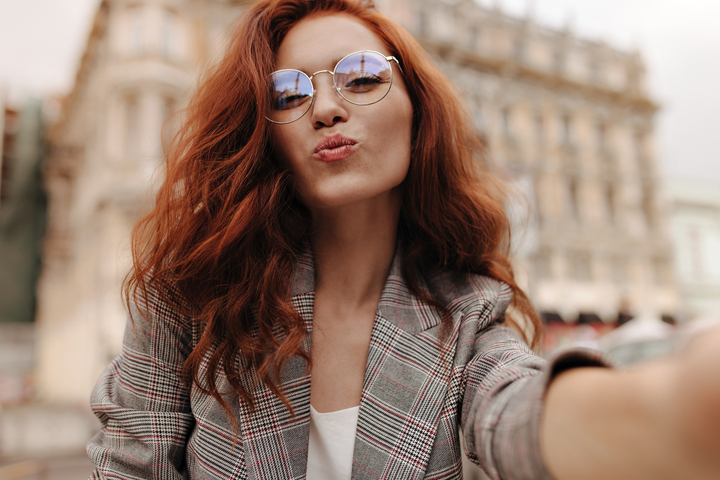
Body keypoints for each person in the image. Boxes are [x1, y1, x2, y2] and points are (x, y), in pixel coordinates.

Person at [87, 0, 720, 478]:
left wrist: (673, 410)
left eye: (361, 77)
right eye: (289, 91)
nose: (326, 108)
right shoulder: (192, 291)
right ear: (266, 132)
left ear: (420, 115)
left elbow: (516, 418)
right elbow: (126, 465)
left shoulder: (468, 316)